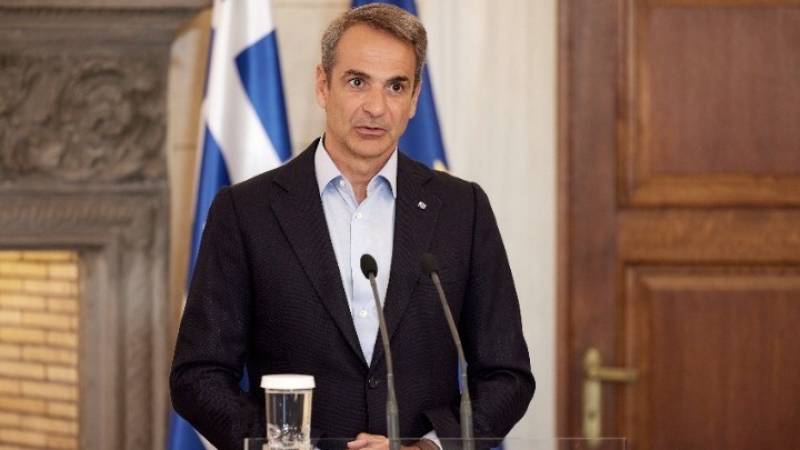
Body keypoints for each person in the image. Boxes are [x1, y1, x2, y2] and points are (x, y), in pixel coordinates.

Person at [170, 4, 534, 450]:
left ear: (414, 99)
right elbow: (198, 375)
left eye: (396, 86)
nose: (376, 107)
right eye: (357, 82)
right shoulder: (246, 210)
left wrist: (431, 447)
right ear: (323, 85)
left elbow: (506, 374)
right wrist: (292, 445)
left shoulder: (463, 209)